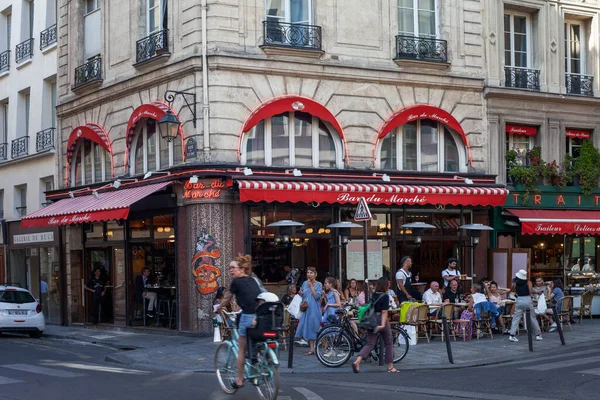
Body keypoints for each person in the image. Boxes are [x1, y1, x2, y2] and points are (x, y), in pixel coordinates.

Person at [216, 254, 262, 390]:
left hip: (248, 316)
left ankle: (240, 380)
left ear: (242, 269)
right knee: (254, 342)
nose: (230, 270)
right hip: (259, 316)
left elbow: (227, 298)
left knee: (241, 349)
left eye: (233, 268)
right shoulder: (253, 280)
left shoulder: (236, 282)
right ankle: (257, 365)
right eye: (229, 268)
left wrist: (218, 307)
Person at [352, 277, 399, 374]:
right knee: (388, 343)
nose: (389, 286)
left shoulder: (373, 295)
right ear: (385, 286)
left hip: (371, 320)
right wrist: (382, 325)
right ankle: (390, 367)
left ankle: (357, 361)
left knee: (370, 343)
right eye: (388, 284)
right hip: (381, 320)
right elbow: (384, 311)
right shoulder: (385, 296)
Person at [508, 269, 543, 342]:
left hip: (519, 300)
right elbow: (531, 291)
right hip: (527, 300)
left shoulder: (515, 283)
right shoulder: (528, 282)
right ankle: (538, 335)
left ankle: (512, 335)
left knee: (516, 318)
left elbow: (512, 290)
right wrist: (537, 292)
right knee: (532, 318)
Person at [296, 267, 322, 356]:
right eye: (308, 273)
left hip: (314, 308)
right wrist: (301, 293)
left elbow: (316, 297)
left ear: (315, 274)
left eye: (311, 273)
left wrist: (311, 286)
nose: (309, 274)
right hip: (306, 308)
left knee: (316, 327)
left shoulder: (319, 284)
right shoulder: (304, 283)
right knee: (308, 327)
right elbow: (303, 295)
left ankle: (325, 346)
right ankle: (312, 349)